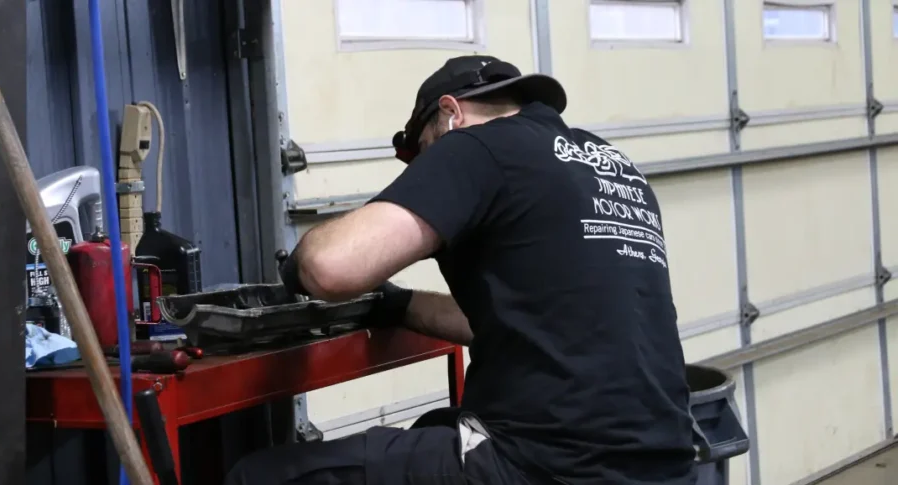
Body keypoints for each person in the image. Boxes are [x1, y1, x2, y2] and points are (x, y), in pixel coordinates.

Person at [224, 55, 697, 485]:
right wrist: (400, 303)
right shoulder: (611, 165)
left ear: (451, 115)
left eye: (424, 150)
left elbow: (331, 269)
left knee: (256, 477)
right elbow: (528, 319)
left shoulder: (477, 145)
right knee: (434, 428)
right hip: (664, 463)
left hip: (544, 465)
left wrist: (295, 268)